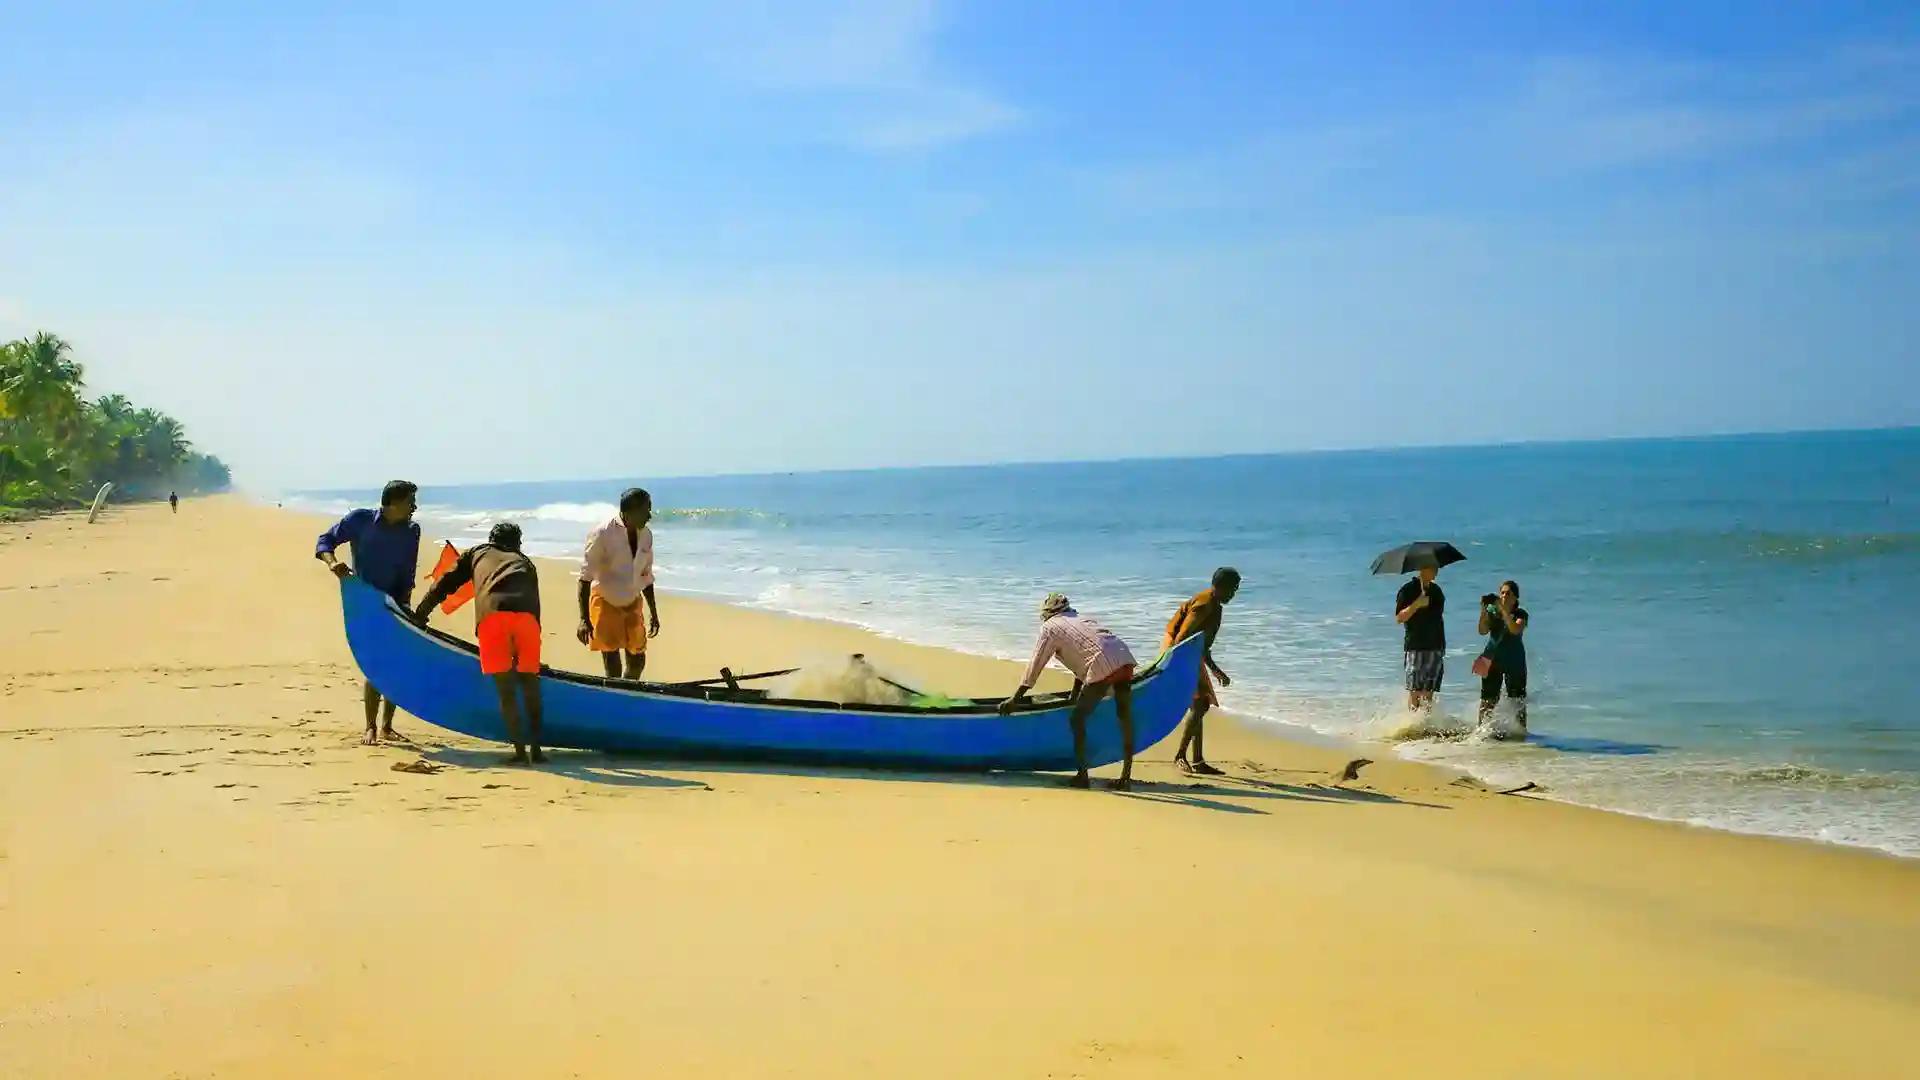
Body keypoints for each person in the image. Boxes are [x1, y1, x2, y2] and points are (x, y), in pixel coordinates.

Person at [415, 523, 546, 764]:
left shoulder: (478, 552)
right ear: (518, 543)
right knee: (530, 685)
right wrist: (531, 649)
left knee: (506, 691)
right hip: (527, 619)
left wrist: (421, 612)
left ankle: (519, 753)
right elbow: (534, 602)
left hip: (492, 618)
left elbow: (445, 583)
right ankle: (536, 750)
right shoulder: (525, 561)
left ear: (491, 538)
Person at [315, 481, 421, 744]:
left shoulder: (412, 530)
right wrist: (333, 564)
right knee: (375, 664)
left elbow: (409, 570)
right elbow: (325, 541)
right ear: (393, 503)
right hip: (365, 601)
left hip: (397, 603)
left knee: (396, 664)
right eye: (410, 502)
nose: (414, 508)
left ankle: (387, 726)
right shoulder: (360, 520)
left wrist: (406, 607)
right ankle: (371, 727)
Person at [998, 593, 1138, 791]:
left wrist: (1015, 699)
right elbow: (1083, 660)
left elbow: (1035, 666)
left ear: (1046, 613)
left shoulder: (1050, 628)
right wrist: (1074, 695)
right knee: (1124, 717)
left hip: (1102, 665)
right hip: (1124, 657)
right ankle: (1126, 778)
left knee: (1077, 720)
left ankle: (1082, 776)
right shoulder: (1081, 619)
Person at [1163, 567, 1240, 776]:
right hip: (1179, 652)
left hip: (1191, 652)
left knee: (1201, 703)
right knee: (1200, 704)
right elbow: (1182, 638)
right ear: (1221, 587)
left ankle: (1197, 760)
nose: (1234, 595)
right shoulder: (1205, 604)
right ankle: (1180, 756)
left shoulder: (1215, 605)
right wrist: (1175, 666)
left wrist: (1215, 671)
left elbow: (1202, 644)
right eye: (1232, 590)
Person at [577, 488, 660, 680]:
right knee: (611, 660)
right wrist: (584, 619)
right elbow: (585, 577)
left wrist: (654, 613)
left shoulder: (646, 535)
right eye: (646, 510)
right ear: (629, 511)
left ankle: (628, 691)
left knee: (638, 659)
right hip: (606, 600)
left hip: (632, 600)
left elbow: (646, 575)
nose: (649, 516)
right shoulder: (602, 533)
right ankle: (616, 695)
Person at [1477, 579, 1530, 737]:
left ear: (1515, 598)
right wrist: (1483, 611)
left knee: (1517, 701)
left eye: (1508, 593)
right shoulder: (1493, 612)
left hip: (1515, 661)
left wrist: (1504, 611)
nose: (1504, 596)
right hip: (1491, 659)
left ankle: (1521, 734)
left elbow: (1515, 629)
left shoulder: (1520, 614)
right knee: (1487, 700)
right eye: (1502, 593)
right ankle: (1481, 732)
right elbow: (1482, 631)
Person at [1394, 563, 1446, 712]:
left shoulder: (1436, 591)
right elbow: (1399, 618)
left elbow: (1437, 618)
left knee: (1428, 693)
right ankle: (1412, 724)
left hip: (1435, 645)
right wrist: (1416, 604)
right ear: (1422, 569)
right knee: (1415, 691)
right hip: (1415, 646)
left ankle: (1425, 727)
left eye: (1437, 568)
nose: (1436, 571)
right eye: (1432, 568)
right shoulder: (1408, 590)